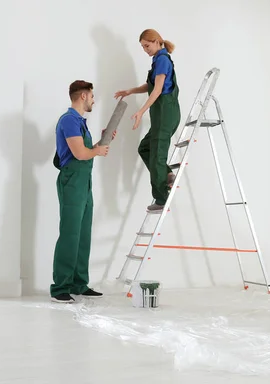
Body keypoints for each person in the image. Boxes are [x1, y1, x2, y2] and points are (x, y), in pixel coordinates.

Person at [50, 80, 114, 303]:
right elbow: (79, 153)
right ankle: (60, 287)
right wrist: (97, 150)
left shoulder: (79, 122)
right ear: (83, 96)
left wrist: (101, 142)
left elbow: (86, 150)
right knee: (70, 233)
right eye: (92, 96)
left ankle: (78, 283)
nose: (94, 100)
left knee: (83, 233)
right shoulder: (69, 120)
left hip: (84, 182)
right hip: (73, 181)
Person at [114, 28, 181, 213]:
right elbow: (151, 85)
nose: (146, 50)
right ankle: (167, 174)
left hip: (165, 115)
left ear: (157, 41)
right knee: (145, 148)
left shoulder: (162, 59)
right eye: (143, 47)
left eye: (147, 45)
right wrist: (130, 91)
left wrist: (141, 111)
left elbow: (158, 89)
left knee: (157, 156)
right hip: (163, 116)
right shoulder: (158, 59)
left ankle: (161, 199)